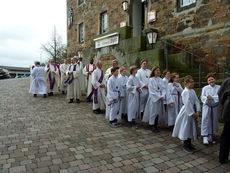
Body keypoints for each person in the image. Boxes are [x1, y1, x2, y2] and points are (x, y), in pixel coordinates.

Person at [172, 75, 201, 153]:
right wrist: (192, 113)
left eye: (193, 82)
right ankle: (185, 144)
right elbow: (187, 103)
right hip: (187, 112)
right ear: (186, 83)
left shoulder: (193, 91)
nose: (192, 83)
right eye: (191, 82)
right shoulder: (185, 92)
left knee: (191, 128)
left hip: (193, 111)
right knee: (186, 127)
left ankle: (189, 142)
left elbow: (196, 101)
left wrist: (197, 111)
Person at [142, 66, 166, 133]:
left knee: (158, 112)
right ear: (153, 71)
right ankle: (151, 125)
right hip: (153, 98)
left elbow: (163, 89)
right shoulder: (151, 80)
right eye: (156, 70)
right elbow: (151, 90)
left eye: (158, 70)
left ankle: (156, 124)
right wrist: (158, 96)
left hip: (159, 98)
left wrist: (162, 95)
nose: (158, 71)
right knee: (153, 112)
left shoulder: (161, 80)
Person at [201, 74, 220, 145]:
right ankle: (205, 136)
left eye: (212, 79)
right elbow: (202, 96)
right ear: (207, 81)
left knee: (213, 120)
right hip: (207, 107)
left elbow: (219, 96)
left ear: (215, 79)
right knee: (206, 119)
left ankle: (211, 134)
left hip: (215, 107)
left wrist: (212, 97)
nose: (211, 81)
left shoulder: (219, 87)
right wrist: (207, 98)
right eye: (209, 80)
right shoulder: (205, 88)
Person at [218, 77, 230, 164]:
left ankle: (223, 157)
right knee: (226, 135)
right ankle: (223, 157)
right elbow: (220, 94)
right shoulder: (228, 80)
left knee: (226, 135)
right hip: (229, 111)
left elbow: (220, 94)